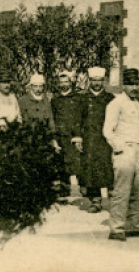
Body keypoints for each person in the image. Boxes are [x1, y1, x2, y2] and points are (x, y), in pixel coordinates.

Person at [104, 68, 139, 241]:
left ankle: (132, 224)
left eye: (136, 84)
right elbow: (107, 130)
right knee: (122, 190)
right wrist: (119, 148)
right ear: (123, 85)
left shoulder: (137, 103)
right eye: (130, 84)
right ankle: (116, 228)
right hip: (125, 150)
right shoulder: (116, 103)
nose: (133, 88)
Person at [77, 67, 115, 213]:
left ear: (103, 81)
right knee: (90, 169)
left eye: (99, 80)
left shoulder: (110, 98)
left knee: (107, 167)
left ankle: (112, 200)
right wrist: (78, 138)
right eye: (94, 80)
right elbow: (77, 119)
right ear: (90, 81)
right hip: (89, 139)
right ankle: (95, 200)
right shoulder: (83, 98)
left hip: (106, 139)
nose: (97, 83)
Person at [51, 70, 84, 201]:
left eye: (66, 82)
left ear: (71, 83)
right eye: (61, 82)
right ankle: (64, 191)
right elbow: (53, 117)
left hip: (73, 136)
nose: (64, 84)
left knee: (76, 163)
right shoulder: (55, 99)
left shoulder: (78, 98)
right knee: (62, 163)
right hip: (60, 136)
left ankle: (81, 190)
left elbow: (82, 117)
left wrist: (79, 135)